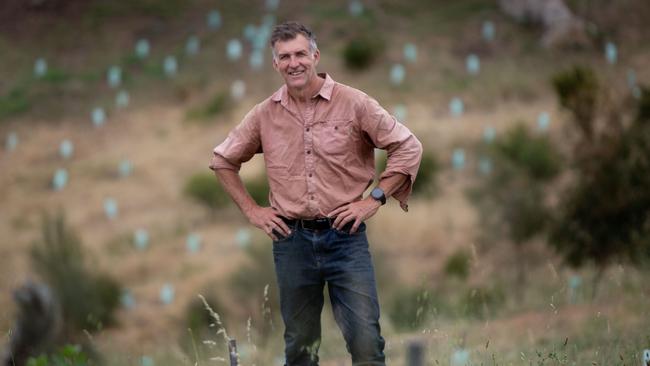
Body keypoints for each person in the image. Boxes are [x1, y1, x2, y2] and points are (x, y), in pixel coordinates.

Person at [209, 21, 422, 366]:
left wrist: (374, 200)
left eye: (300, 54)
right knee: (300, 348)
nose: (293, 63)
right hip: (291, 241)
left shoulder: (354, 102)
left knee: (367, 342)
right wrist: (253, 211)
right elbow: (222, 160)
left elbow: (408, 147)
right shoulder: (264, 114)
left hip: (346, 238)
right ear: (274, 64)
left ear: (315, 56)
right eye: (284, 57)